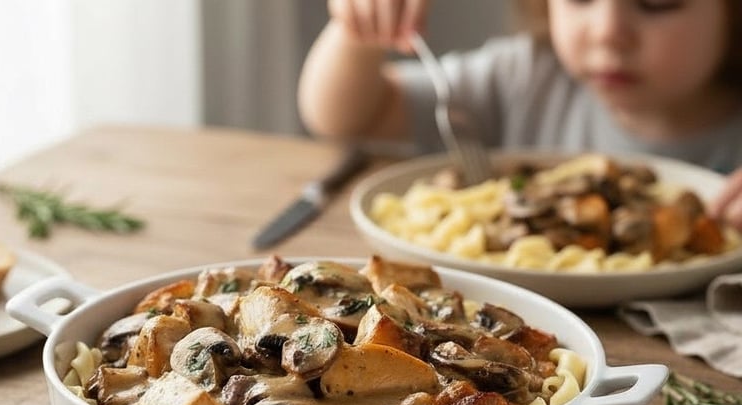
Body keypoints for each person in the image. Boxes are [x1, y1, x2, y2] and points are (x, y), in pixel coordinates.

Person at [297, 0, 742, 229]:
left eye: (658, 1)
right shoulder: (524, 77)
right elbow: (346, 115)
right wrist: (359, 31)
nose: (608, 31)